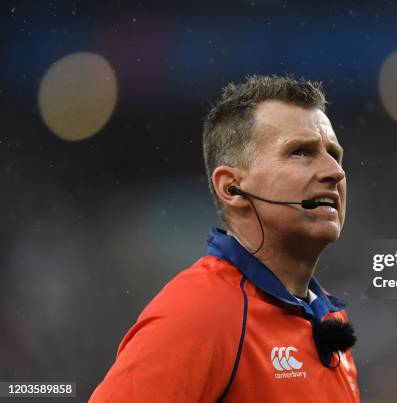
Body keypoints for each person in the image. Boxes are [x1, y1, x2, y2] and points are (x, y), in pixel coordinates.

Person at [89, 75, 359, 402]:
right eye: (301, 152)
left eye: (334, 154)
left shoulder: (329, 317)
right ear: (232, 188)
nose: (334, 171)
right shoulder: (198, 314)